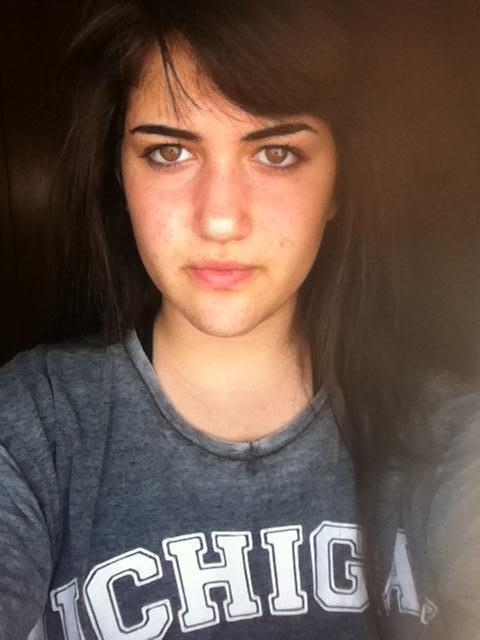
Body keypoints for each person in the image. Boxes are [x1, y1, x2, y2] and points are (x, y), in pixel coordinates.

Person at [0, 1, 479, 638]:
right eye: (169, 152)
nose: (221, 219)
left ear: (338, 184)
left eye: (276, 153)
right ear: (119, 175)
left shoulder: (451, 440)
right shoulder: (33, 429)